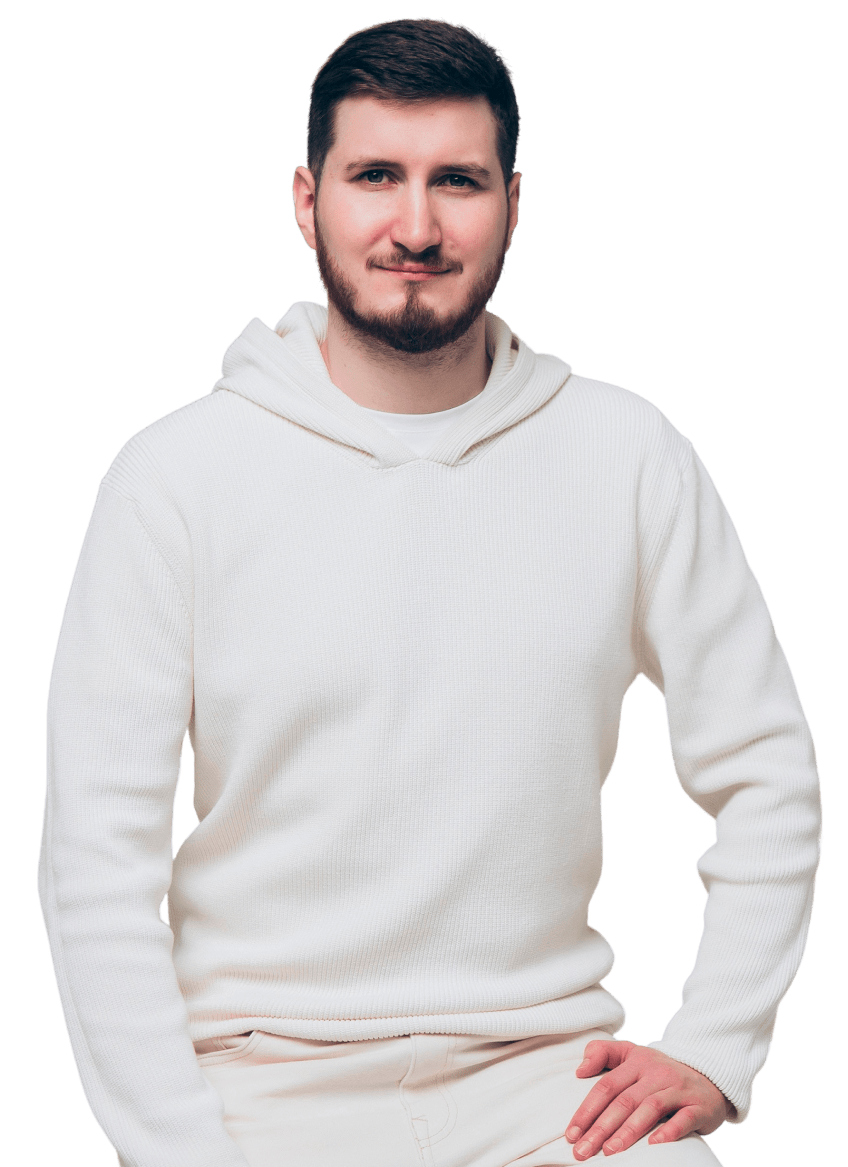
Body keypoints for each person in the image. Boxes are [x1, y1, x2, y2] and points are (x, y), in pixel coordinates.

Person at [39, 17, 822, 1167]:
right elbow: (96, 861)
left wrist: (714, 1046)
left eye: (456, 181)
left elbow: (767, 774)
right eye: (375, 177)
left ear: (512, 204)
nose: (414, 227)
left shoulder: (626, 454)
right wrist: (176, 1148)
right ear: (306, 201)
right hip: (255, 1083)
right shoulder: (174, 478)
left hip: (552, 1086)